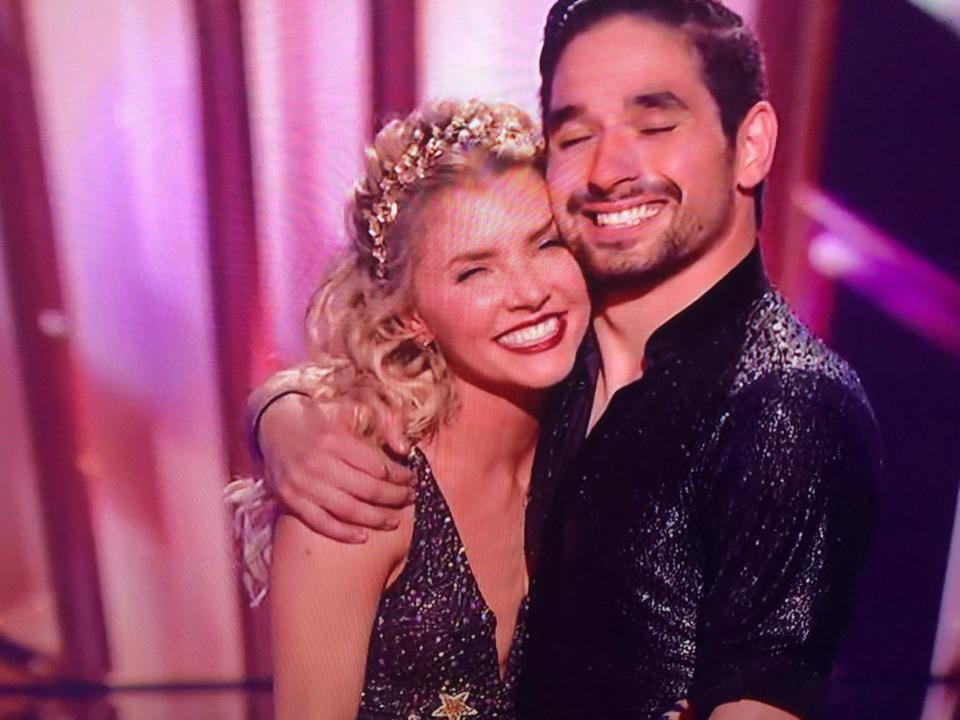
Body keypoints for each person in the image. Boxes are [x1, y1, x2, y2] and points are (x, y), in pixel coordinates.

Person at [250, 2, 881, 718]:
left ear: (751, 143)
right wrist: (282, 413)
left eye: (655, 122)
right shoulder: (554, 372)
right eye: (576, 134)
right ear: (413, 315)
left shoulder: (781, 406)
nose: (611, 169)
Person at [228, 99, 591, 719]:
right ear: (411, 316)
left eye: (545, 243)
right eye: (474, 272)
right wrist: (276, 411)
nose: (530, 293)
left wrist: (270, 407)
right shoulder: (358, 490)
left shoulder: (602, 432)